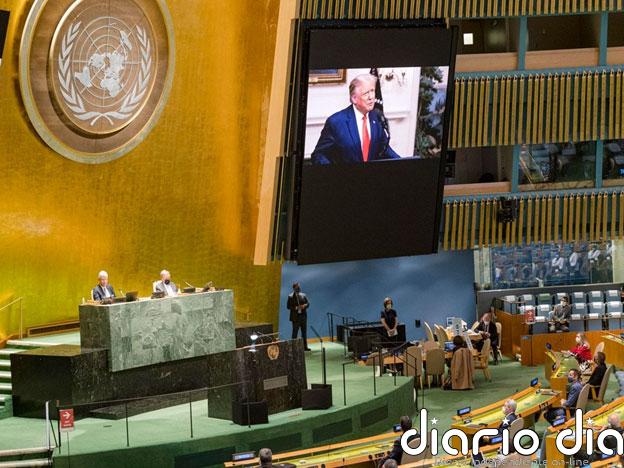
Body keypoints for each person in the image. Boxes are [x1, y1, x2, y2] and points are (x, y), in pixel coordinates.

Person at [311, 74, 401, 165]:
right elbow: (319, 155)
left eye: (372, 91)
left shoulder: (377, 118)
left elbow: (385, 150)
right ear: (354, 99)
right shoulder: (336, 122)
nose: (371, 97)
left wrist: (404, 164)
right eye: (366, 93)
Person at [287, 283, 310, 351]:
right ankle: (293, 348)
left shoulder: (303, 295)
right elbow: (288, 306)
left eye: (299, 287)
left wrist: (304, 306)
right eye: (297, 287)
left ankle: (305, 347)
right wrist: (296, 307)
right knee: (295, 333)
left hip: (303, 316)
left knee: (304, 333)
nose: (299, 288)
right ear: (294, 288)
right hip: (295, 318)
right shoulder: (290, 296)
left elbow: (308, 303)